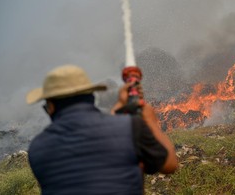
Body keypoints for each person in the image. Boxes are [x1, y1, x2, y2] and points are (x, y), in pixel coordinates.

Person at [26, 65, 178, 195]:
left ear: (51, 106)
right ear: (91, 97)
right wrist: (150, 120)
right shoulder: (130, 127)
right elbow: (170, 164)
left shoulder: (37, 149)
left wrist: (119, 108)